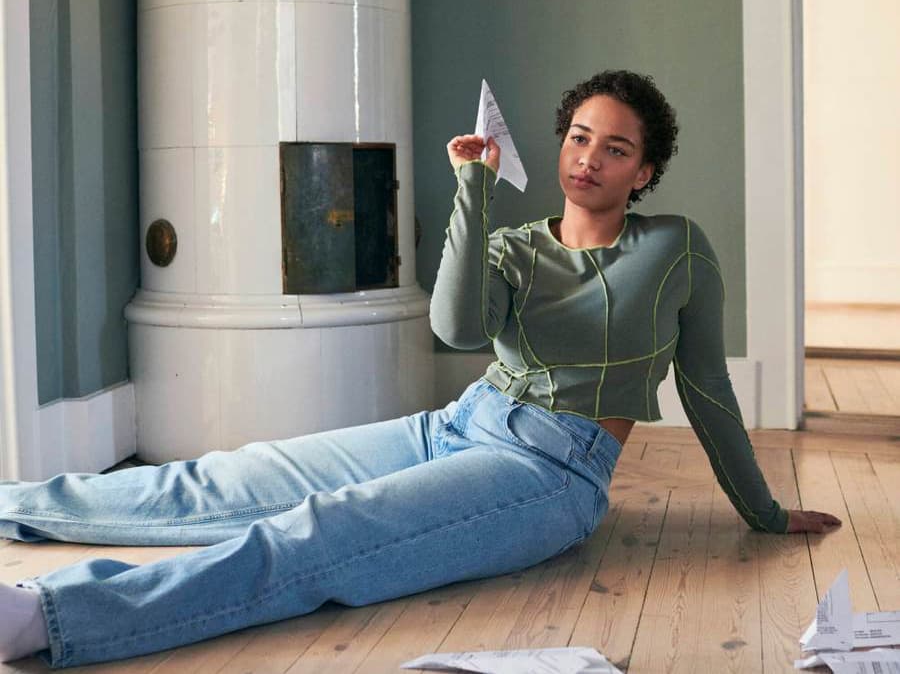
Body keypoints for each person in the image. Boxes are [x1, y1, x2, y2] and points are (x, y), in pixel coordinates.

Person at [0, 70, 840, 667]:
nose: (589, 158)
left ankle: (44, 616)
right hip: (457, 424)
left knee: (322, 535)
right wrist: (471, 190)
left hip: (551, 471)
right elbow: (457, 329)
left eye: (615, 149)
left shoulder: (675, 248)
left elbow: (706, 385)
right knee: (224, 480)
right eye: (579, 137)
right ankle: (14, 506)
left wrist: (761, 511)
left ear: (645, 171)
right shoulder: (512, 245)